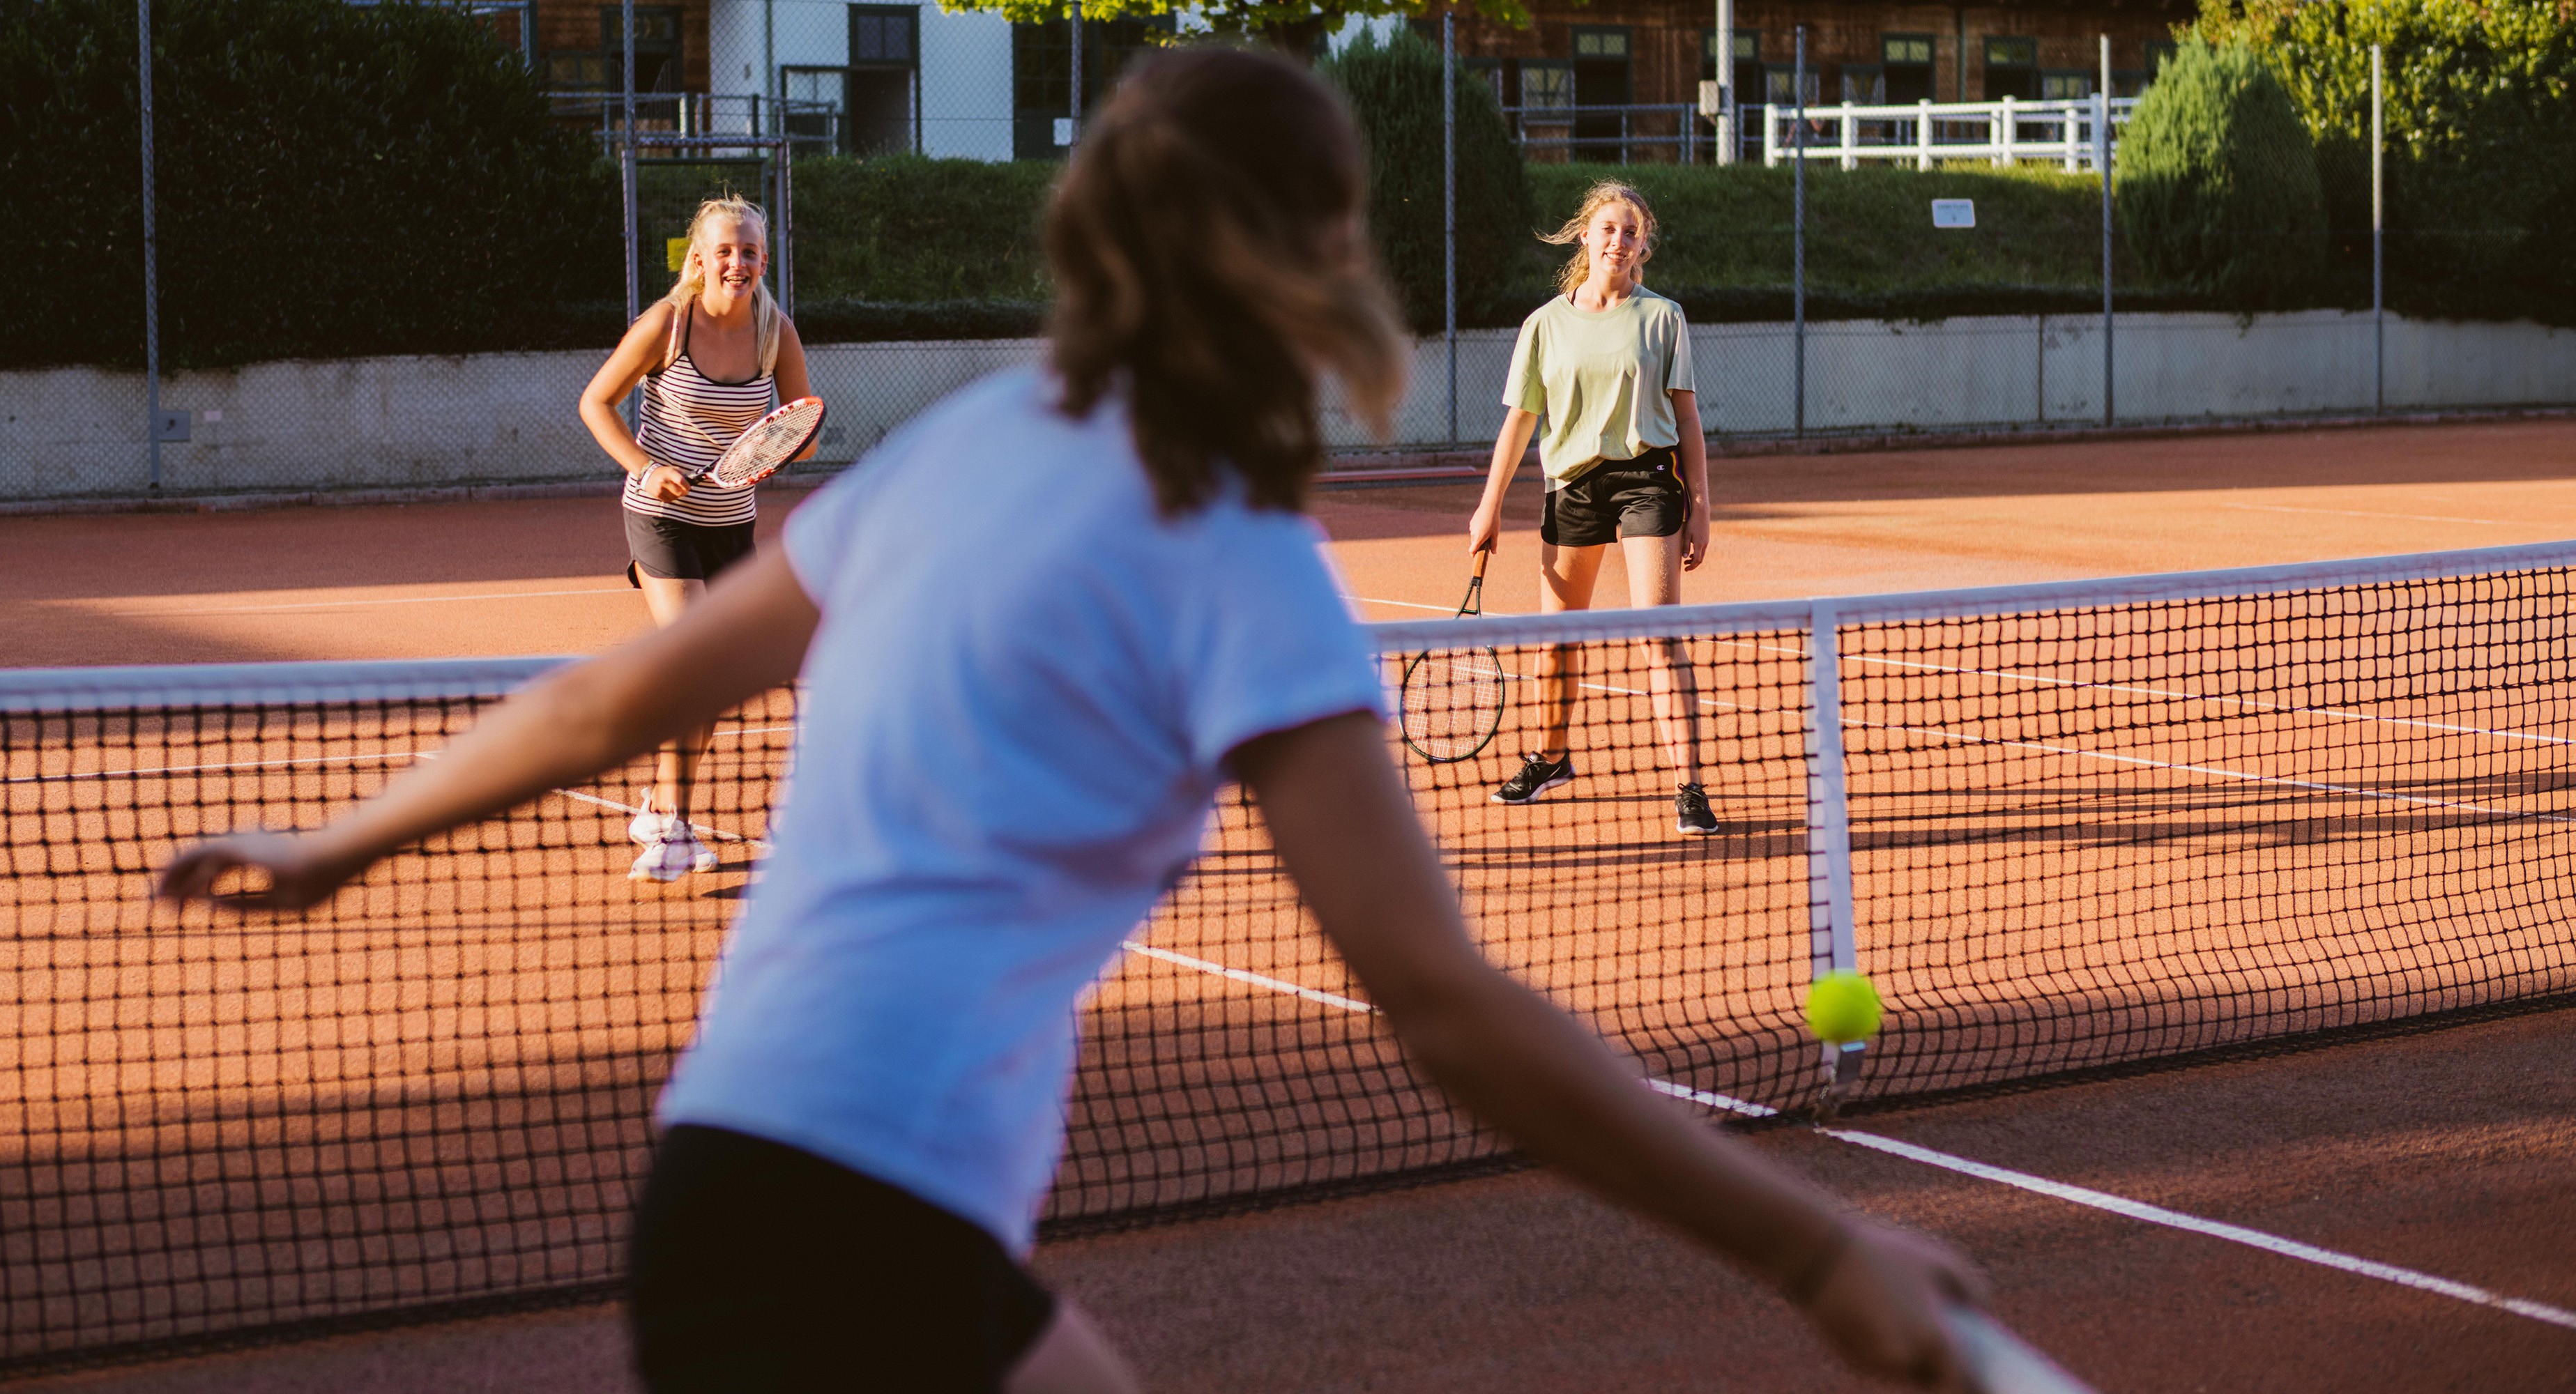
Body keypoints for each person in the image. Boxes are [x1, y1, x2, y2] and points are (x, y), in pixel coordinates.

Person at [160, 50, 1983, 1394]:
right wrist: (1817, 1251)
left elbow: (606, 701)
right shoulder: (1241, 567)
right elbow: (1443, 1004)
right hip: (853, 1244)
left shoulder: (969, 447)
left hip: (735, 1197)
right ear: (1318, 250)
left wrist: (339, 846)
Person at [575, 194, 814, 882]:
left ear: (763, 261)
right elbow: (596, 401)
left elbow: (801, 423)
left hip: (731, 522)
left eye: (749, 252)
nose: (737, 262)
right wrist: (647, 466)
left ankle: (656, 806)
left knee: (719, 680)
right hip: (659, 517)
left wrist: (787, 444)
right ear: (700, 259)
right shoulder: (667, 324)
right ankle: (674, 830)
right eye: (725, 250)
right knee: (696, 662)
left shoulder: (776, 332)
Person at [1468, 182, 1719, 834]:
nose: (1618, 241)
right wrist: (1488, 507)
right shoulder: (1544, 325)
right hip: (1572, 485)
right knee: (1555, 641)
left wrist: (1700, 505)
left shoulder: (1664, 317)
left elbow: (1687, 420)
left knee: (1659, 636)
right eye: (1608, 229)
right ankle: (1552, 757)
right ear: (1585, 235)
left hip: (1645, 478)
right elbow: (1521, 423)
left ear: (1644, 246)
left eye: (1631, 233)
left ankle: (1689, 786)